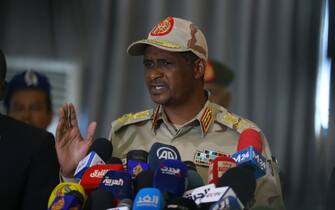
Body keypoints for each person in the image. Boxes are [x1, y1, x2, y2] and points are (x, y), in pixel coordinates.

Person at [55, 17, 285, 209]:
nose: (153, 74)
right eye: (148, 64)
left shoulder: (243, 136)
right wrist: (70, 173)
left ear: (198, 68)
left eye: (165, 63)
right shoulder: (124, 132)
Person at [0, 50, 60, 209]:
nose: (26, 115)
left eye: (35, 108)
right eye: (19, 107)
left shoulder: (44, 147)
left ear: (49, 115)